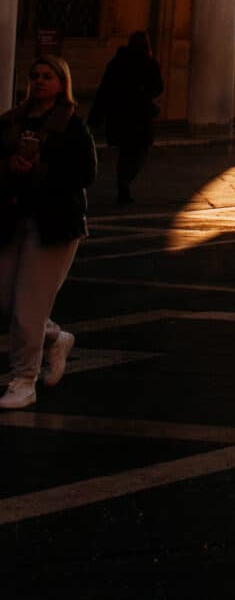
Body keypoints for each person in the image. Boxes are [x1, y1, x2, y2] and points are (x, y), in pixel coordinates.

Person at [0, 51, 97, 411]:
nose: (40, 81)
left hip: (54, 223)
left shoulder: (73, 126)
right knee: (7, 301)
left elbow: (86, 173)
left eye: (48, 76)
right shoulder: (11, 121)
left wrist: (43, 166)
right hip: (12, 220)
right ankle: (55, 338)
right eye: (35, 75)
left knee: (27, 308)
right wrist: (10, 164)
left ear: (62, 84)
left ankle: (24, 380)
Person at [88, 28, 164, 205]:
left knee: (125, 152)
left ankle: (123, 181)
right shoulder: (149, 63)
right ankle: (125, 181)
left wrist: (96, 115)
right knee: (140, 151)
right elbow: (158, 88)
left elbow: (104, 89)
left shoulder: (117, 62)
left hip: (120, 115)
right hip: (139, 116)